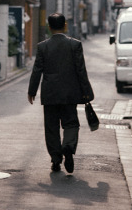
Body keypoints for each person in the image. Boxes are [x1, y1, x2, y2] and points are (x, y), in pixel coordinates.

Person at [27, 13, 94, 173]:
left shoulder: (43, 47)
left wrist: (32, 90)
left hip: (50, 94)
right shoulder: (75, 45)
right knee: (71, 123)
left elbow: (37, 70)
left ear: (49, 28)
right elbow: (81, 71)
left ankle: (56, 160)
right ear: (65, 25)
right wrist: (87, 92)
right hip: (70, 93)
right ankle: (68, 147)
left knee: (51, 127)